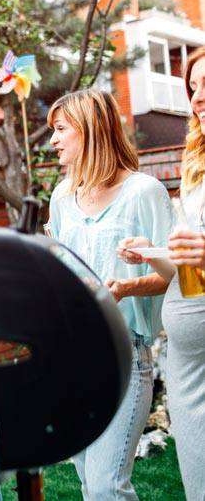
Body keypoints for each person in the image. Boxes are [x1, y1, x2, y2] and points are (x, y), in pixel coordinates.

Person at [47, 89, 171, 501]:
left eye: (62, 129)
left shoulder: (144, 191)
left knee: (106, 487)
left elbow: (176, 275)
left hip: (122, 352)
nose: (54, 140)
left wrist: (127, 286)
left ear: (91, 130)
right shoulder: (63, 197)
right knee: (88, 483)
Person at [117, 46, 205, 500]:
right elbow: (187, 268)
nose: (198, 98)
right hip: (189, 363)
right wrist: (151, 254)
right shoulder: (195, 172)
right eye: (193, 88)